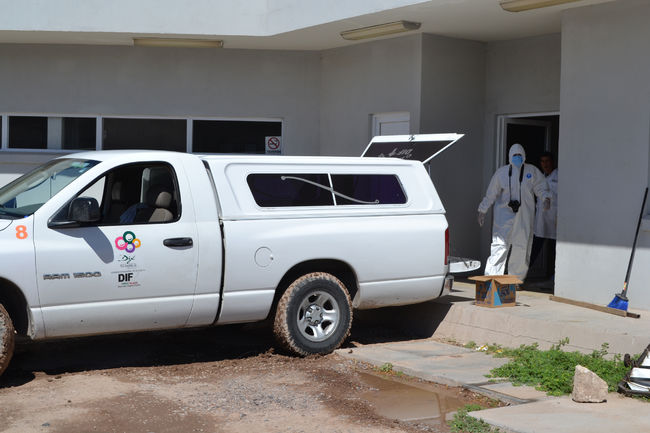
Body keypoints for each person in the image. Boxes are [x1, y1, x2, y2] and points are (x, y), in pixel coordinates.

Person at [477, 143, 551, 280]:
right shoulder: (501, 173)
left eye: (519, 155)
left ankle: (515, 279)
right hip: (503, 217)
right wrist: (482, 209)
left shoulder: (532, 171)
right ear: (510, 156)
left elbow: (541, 187)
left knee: (521, 248)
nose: (517, 157)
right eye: (515, 155)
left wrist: (545, 198)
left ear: (524, 156)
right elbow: (491, 193)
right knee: (499, 246)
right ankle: (492, 278)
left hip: (524, 217)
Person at [530, 151, 558, 281]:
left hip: (554, 219)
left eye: (547, 161)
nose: (545, 164)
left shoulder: (559, 176)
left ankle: (552, 277)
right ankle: (520, 275)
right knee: (535, 248)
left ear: (552, 162)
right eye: (542, 162)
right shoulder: (540, 177)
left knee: (554, 250)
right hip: (541, 218)